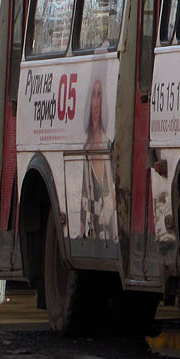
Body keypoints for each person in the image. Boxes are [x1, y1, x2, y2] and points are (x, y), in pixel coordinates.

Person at [80, 77, 113, 240]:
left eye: (99, 95)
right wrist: (81, 228)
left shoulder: (109, 145)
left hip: (111, 232)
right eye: (93, 95)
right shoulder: (85, 149)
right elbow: (83, 197)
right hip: (92, 233)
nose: (95, 103)